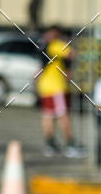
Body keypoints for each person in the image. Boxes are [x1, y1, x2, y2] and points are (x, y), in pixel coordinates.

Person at [35, 26, 83, 157]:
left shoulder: (44, 46)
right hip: (56, 87)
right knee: (63, 116)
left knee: (48, 116)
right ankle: (70, 144)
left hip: (45, 87)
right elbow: (72, 54)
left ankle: (50, 144)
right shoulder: (56, 45)